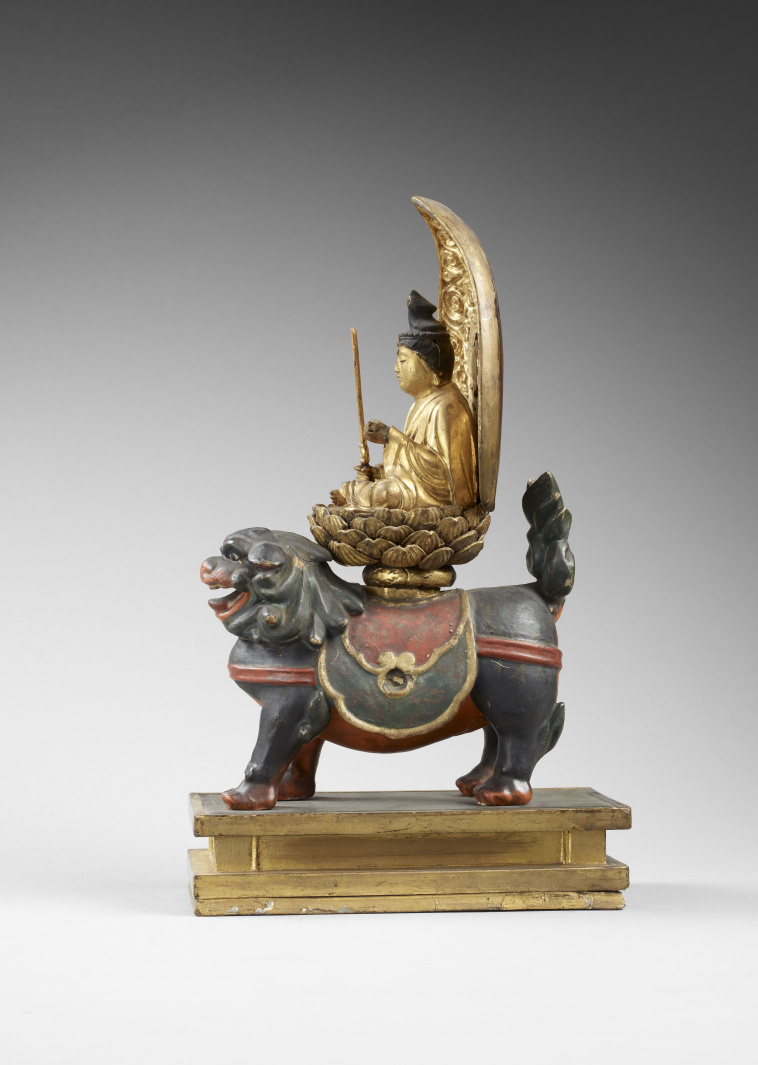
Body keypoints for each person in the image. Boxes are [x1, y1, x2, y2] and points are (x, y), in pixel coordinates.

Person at [332, 291, 477, 510]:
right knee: (380, 487)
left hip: (438, 501)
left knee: (384, 493)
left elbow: (444, 476)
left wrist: (391, 436)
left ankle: (356, 496)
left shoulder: (447, 406)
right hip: (415, 488)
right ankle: (359, 494)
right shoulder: (421, 404)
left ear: (429, 367)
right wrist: (379, 471)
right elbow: (411, 463)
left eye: (403, 360)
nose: (396, 368)